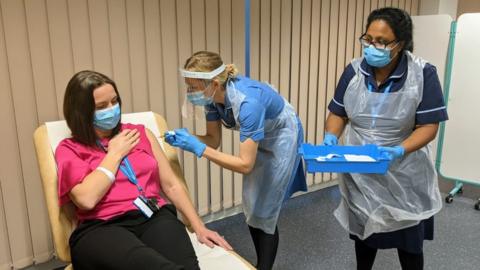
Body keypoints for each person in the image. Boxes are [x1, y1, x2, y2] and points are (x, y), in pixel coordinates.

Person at [55, 70, 231, 270]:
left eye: (114, 101)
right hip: (101, 227)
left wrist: (199, 227)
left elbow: (171, 185)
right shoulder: (69, 149)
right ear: (81, 112)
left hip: (153, 215)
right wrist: (115, 154)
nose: (112, 109)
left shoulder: (139, 133)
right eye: (102, 106)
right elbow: (86, 199)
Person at [324, 7, 448, 270]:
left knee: (408, 242)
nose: (372, 47)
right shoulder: (354, 71)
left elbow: (428, 126)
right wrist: (330, 136)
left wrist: (398, 151)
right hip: (360, 169)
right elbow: (338, 112)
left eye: (381, 41)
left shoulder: (422, 74)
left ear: (400, 43)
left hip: (403, 172)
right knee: (364, 234)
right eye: (368, 39)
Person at [164, 51, 307, 270]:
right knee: (251, 205)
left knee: (265, 211)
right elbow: (213, 140)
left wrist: (198, 148)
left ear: (213, 83)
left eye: (193, 87)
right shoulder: (212, 98)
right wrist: (187, 139)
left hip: (281, 137)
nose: (190, 93)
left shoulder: (248, 103)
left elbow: (244, 164)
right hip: (259, 137)